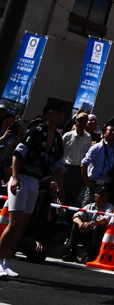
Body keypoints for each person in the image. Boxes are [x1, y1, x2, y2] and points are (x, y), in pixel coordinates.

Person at [0, 101, 66, 279]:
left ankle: (5, 261)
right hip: (22, 176)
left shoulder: (58, 139)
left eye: (62, 113)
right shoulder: (36, 131)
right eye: (57, 112)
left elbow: (58, 165)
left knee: (22, 224)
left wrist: (60, 187)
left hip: (36, 180)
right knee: (14, 222)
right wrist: (14, 177)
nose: (61, 115)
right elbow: (17, 154)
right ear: (48, 114)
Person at [62, 184, 112, 264]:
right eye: (101, 195)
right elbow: (76, 216)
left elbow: (105, 220)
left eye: (105, 195)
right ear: (95, 197)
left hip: (99, 236)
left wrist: (92, 224)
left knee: (100, 226)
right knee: (76, 224)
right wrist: (81, 224)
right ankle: (72, 252)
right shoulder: (89, 206)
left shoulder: (109, 207)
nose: (104, 197)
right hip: (86, 233)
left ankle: (92, 255)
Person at [81, 124, 114, 203]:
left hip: (107, 184)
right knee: (87, 205)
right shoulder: (97, 147)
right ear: (104, 133)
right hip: (94, 183)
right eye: (110, 131)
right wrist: (86, 181)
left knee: (103, 208)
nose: (113, 133)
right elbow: (84, 163)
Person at [61, 112, 91, 206]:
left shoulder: (88, 137)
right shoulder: (67, 136)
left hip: (78, 171)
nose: (82, 123)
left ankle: (66, 218)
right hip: (66, 168)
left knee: (73, 195)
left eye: (84, 121)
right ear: (76, 122)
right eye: (80, 121)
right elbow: (60, 152)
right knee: (61, 193)